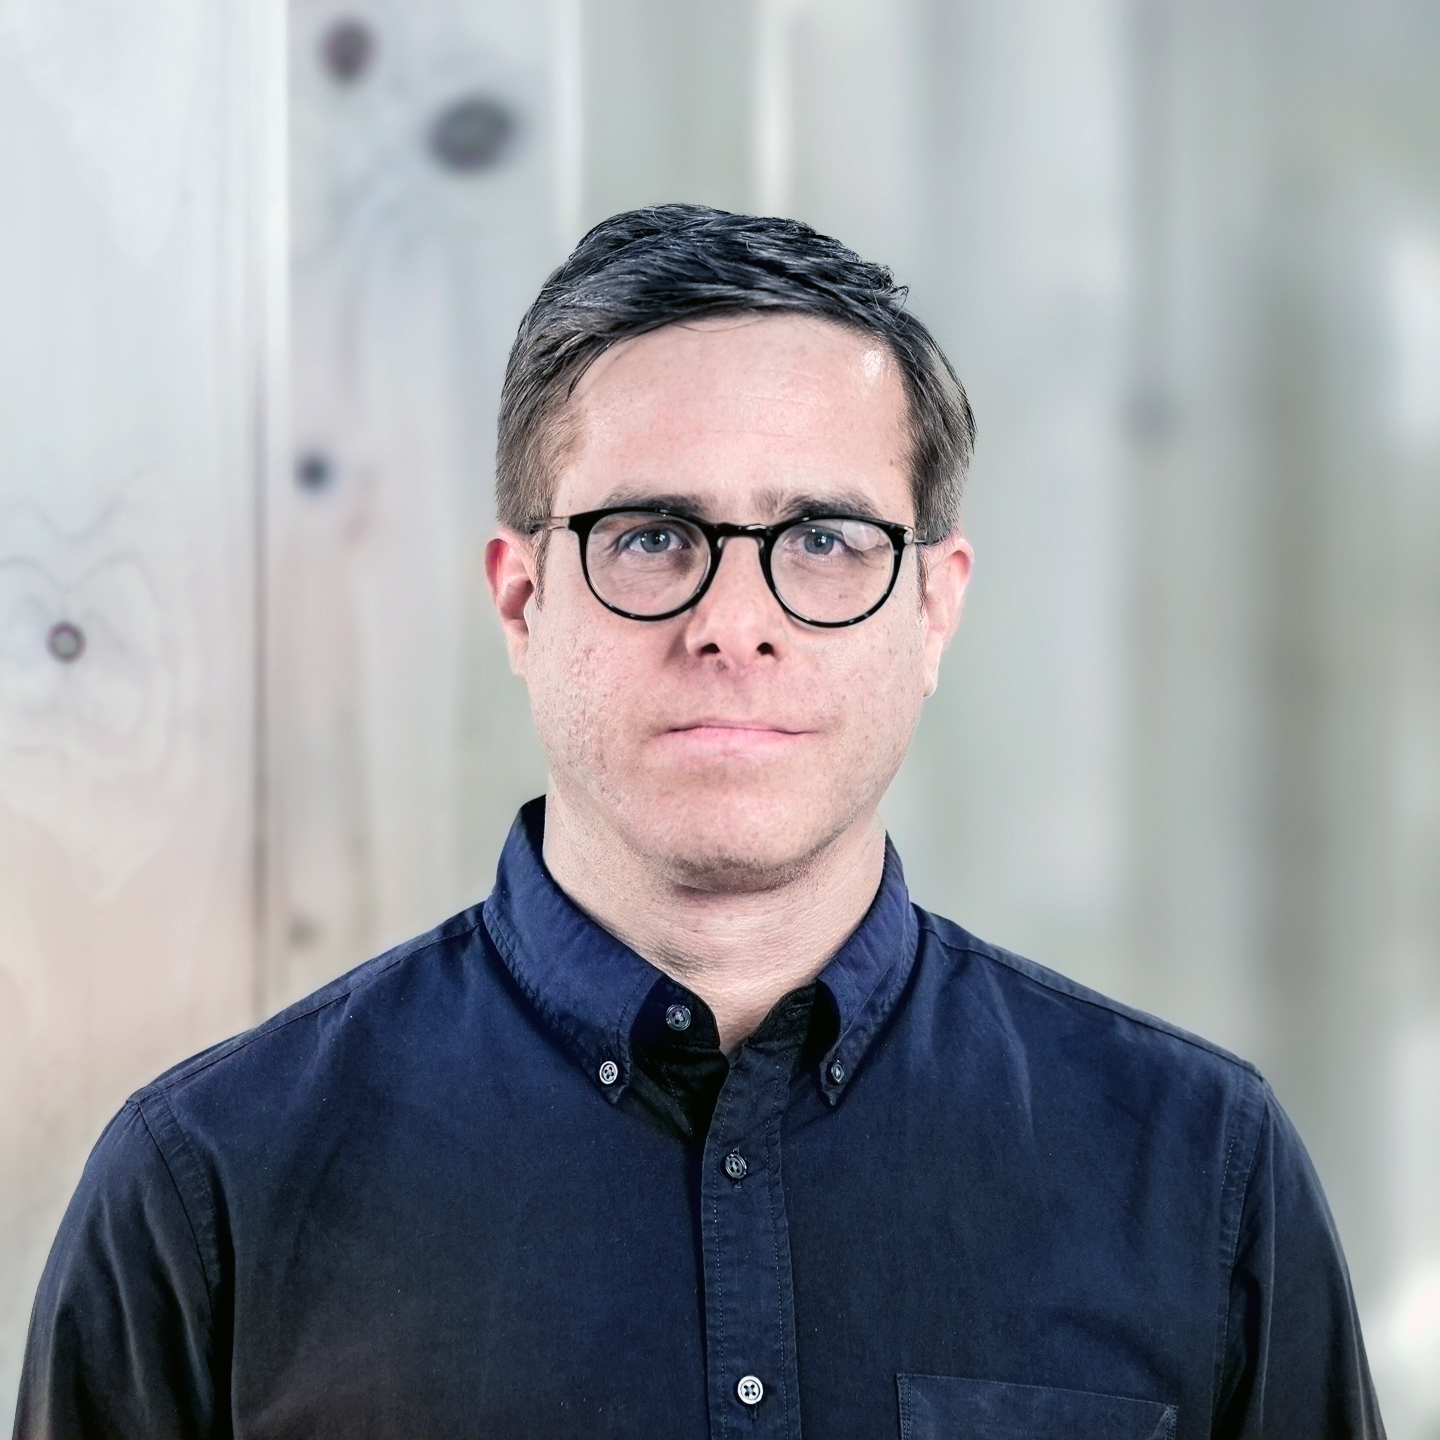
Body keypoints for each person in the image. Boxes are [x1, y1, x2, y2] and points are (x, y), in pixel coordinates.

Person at [16, 205, 1382, 1440]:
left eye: (829, 541)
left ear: (935, 606)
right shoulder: (209, 1194)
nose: (737, 624)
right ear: (521, 596)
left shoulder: (1199, 1168)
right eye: (655, 535)